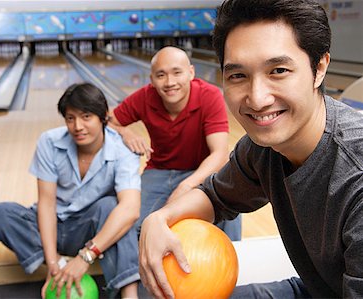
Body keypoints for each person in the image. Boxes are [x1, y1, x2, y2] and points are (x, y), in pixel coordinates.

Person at [138, 0, 363, 298]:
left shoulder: (355, 176)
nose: (257, 100)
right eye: (238, 76)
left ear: (319, 68)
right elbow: (214, 197)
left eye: (278, 70)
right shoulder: (262, 149)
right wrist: (159, 219)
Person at [0, 83, 141, 299]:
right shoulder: (49, 142)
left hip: (90, 230)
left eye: (86, 117)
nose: (78, 126)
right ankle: (60, 267)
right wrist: (53, 264)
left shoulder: (123, 150)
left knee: (114, 209)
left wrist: (86, 256)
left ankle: (129, 292)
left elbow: (131, 209)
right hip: (53, 226)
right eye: (70, 118)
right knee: (0, 214)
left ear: (103, 117)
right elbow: (47, 204)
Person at [109, 46, 242, 241]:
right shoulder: (145, 97)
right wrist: (124, 131)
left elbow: (219, 154)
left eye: (177, 72)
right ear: (152, 79)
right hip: (159, 171)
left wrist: (186, 187)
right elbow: (106, 120)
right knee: (136, 227)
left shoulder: (209, 96)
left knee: (231, 205)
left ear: (191, 73)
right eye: (161, 75)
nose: (170, 82)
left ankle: (232, 260)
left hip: (201, 170)